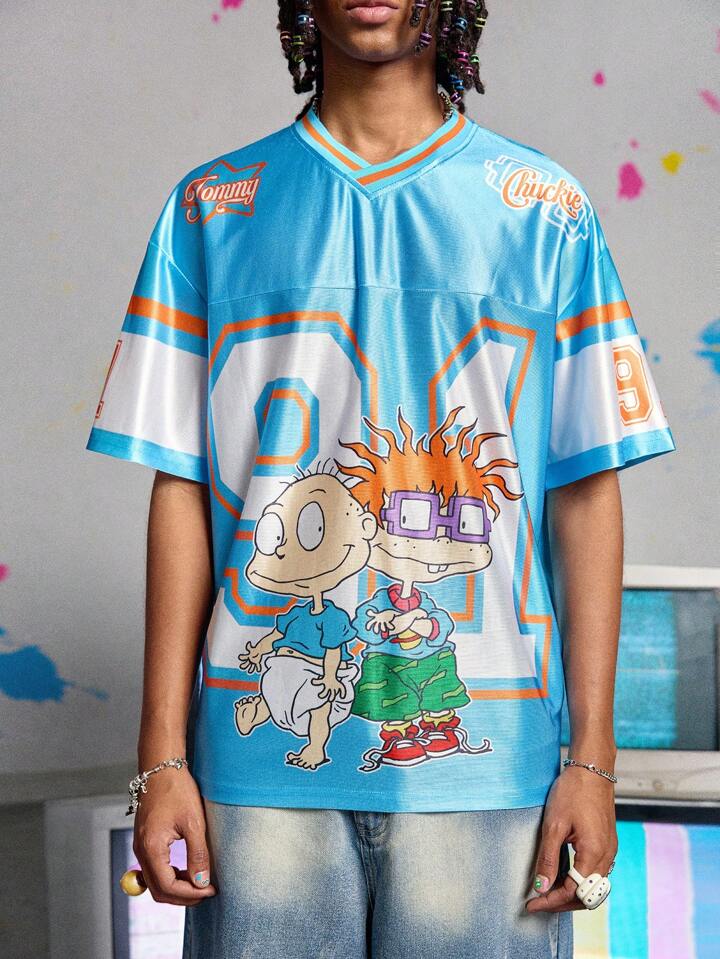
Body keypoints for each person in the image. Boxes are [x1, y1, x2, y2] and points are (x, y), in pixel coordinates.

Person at [85, 1, 676, 956]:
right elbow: (180, 487)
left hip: (492, 768)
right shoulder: (210, 208)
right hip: (259, 769)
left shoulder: (548, 209)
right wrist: (160, 756)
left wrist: (593, 763)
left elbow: (585, 488)